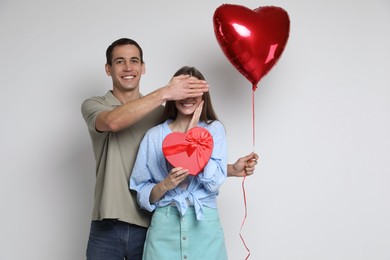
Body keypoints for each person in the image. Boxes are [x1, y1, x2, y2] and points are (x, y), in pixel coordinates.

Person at [81, 38, 258, 260]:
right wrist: (166, 92)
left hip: (147, 220)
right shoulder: (96, 106)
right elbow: (112, 123)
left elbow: (190, 158)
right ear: (108, 68)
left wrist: (229, 168)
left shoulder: (160, 115)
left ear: (143, 67)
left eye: (134, 61)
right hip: (109, 220)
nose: (128, 67)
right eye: (119, 61)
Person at [130, 66, 231, 259]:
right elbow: (142, 192)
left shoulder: (214, 130)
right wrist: (166, 184)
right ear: (173, 95)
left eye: (194, 91)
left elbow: (215, 182)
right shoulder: (154, 136)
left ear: (203, 96)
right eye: (184, 90)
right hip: (164, 223)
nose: (188, 97)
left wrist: (192, 136)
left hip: (204, 223)